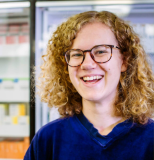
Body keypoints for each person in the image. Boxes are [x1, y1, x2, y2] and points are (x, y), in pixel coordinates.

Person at [25, 11, 154, 159]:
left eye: (100, 51)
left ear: (124, 61)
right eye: (77, 54)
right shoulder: (48, 139)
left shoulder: (150, 138)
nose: (87, 64)